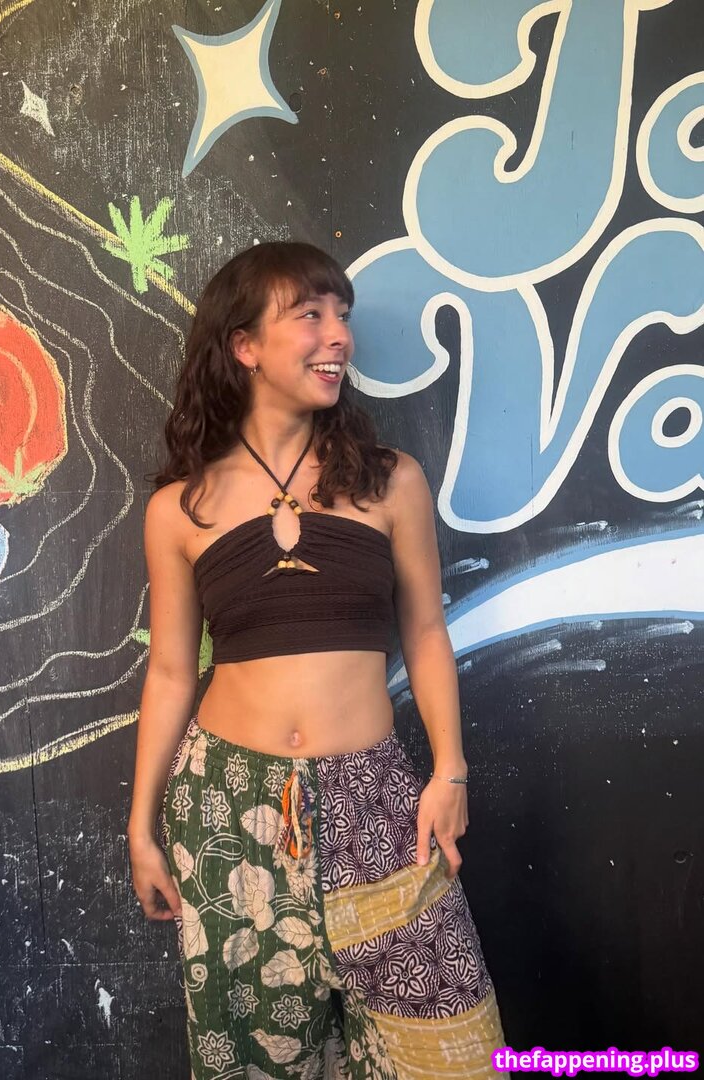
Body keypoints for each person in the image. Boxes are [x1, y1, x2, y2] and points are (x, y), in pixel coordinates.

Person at [128, 241, 506, 1079]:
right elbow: (171, 673)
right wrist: (141, 826)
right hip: (227, 811)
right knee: (256, 1062)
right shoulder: (179, 509)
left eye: (343, 315)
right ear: (245, 345)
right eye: (310, 314)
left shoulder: (392, 482)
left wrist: (450, 770)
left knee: (453, 1055)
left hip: (375, 799)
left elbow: (426, 633)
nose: (338, 334)